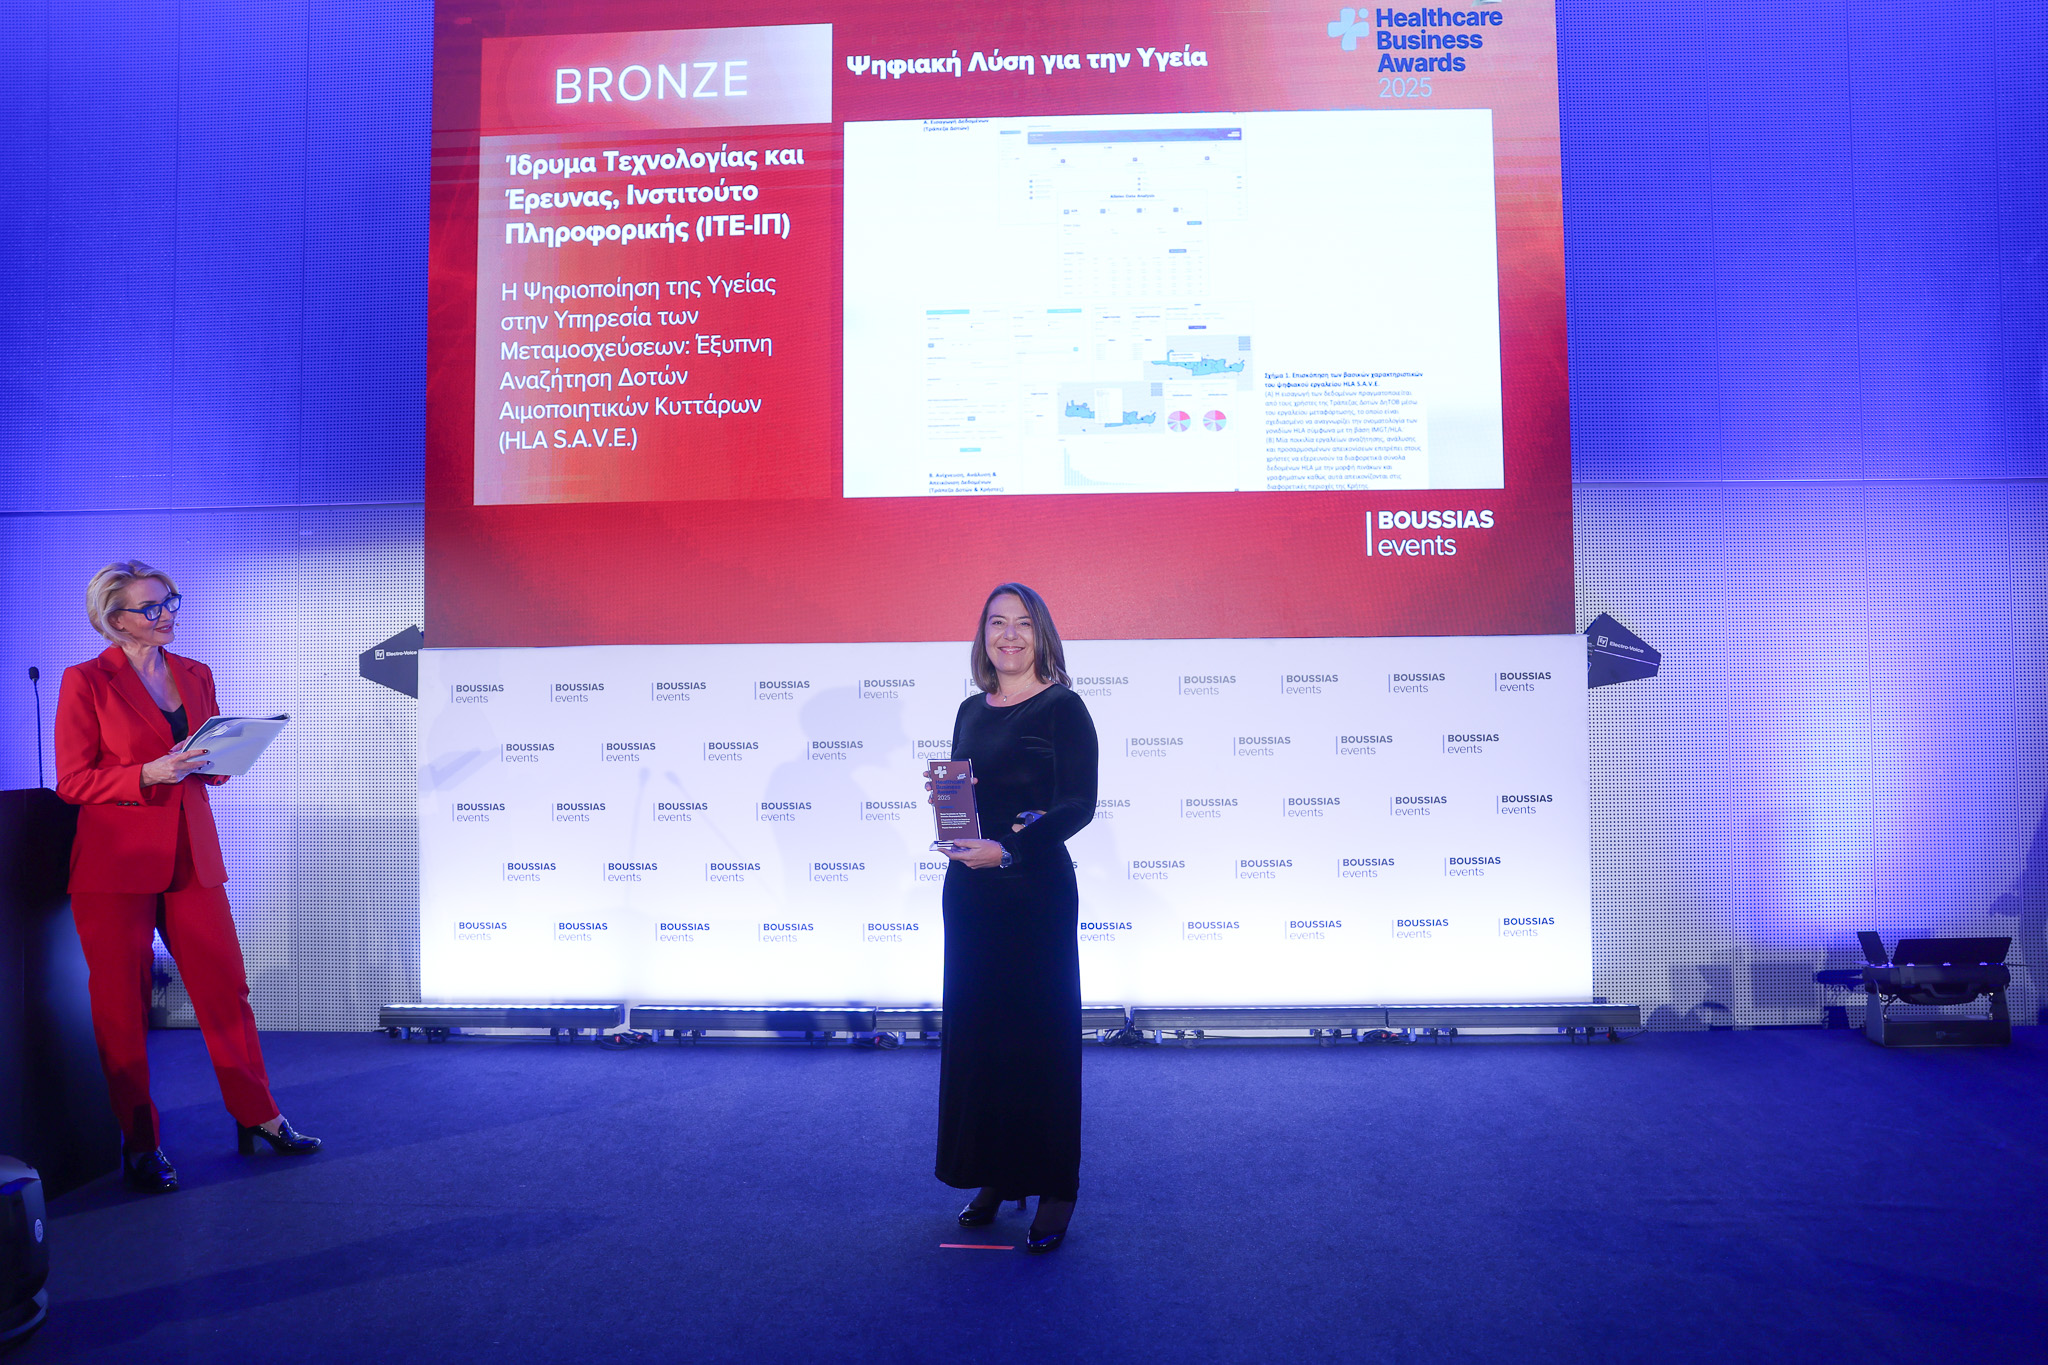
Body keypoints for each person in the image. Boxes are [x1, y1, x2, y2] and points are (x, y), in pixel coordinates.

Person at [55, 560, 321, 1193]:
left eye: (170, 601)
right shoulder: (85, 680)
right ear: (115, 620)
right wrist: (146, 773)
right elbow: (73, 781)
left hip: (191, 856)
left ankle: (259, 1115)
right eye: (150, 607)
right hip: (116, 864)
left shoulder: (196, 673)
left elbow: (209, 763)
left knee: (226, 989)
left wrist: (224, 757)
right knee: (122, 1006)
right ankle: (140, 1142)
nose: (166, 614)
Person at [931, 583, 1098, 1253]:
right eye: (996, 623)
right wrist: (952, 811)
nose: (1008, 635)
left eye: (1022, 623)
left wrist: (1008, 848)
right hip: (971, 893)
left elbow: (1078, 805)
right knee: (981, 1036)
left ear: (1041, 634)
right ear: (983, 636)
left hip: (1034, 892)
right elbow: (967, 797)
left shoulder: (1063, 707)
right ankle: (996, 1174)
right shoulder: (970, 710)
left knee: (1039, 1037)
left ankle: (1055, 1185)